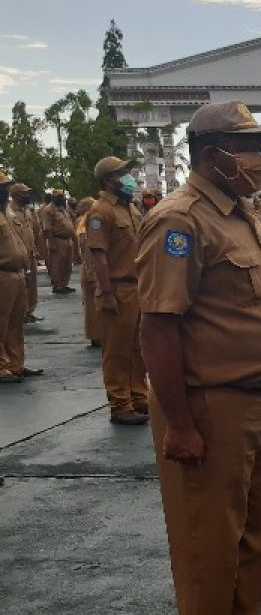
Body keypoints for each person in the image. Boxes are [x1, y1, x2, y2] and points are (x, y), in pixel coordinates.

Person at [137, 101, 261, 615]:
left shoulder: (244, 215)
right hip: (213, 407)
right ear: (214, 157)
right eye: (250, 149)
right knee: (210, 537)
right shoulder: (180, 222)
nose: (260, 162)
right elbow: (158, 329)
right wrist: (179, 422)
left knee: (256, 530)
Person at [88, 156, 149, 425]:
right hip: (118, 288)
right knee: (116, 351)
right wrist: (107, 293)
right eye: (122, 172)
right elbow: (99, 256)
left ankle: (138, 395)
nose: (129, 176)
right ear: (108, 180)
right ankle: (119, 404)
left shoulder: (130, 209)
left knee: (137, 348)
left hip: (137, 288)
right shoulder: (101, 212)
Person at [0, 171, 33, 384]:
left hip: (16, 274)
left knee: (15, 322)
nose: (3, 192)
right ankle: (1, 366)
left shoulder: (6, 213)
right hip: (2, 274)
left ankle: (15, 364)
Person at [6, 182, 38, 322]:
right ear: (15, 195)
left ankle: (29, 311)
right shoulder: (9, 211)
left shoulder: (27, 210)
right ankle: (22, 313)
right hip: (19, 254)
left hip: (30, 254)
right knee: (22, 286)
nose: (27, 196)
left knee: (32, 285)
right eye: (24, 193)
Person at [75, 197, 101, 348]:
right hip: (92, 269)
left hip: (90, 268)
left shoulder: (85, 223)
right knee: (93, 306)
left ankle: (97, 334)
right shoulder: (86, 226)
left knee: (92, 305)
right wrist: (93, 275)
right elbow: (88, 251)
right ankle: (96, 336)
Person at [41, 188, 76, 293]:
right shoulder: (48, 210)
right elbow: (47, 228)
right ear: (54, 198)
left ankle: (64, 284)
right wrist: (52, 243)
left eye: (62, 197)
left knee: (67, 263)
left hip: (67, 240)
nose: (62, 199)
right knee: (57, 264)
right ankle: (57, 285)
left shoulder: (63, 209)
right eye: (59, 197)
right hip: (57, 240)